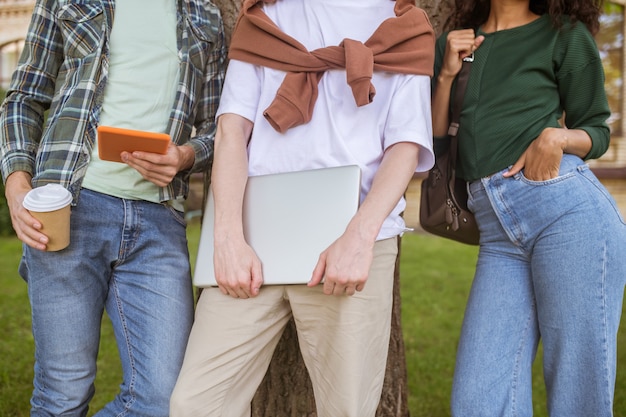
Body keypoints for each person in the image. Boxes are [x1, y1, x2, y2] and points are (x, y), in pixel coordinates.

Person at [169, 0, 435, 416]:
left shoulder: (404, 27)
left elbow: (405, 146)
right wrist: (227, 238)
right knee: (195, 404)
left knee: (347, 409)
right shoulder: (264, 18)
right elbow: (231, 131)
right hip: (253, 238)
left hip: (352, 242)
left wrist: (359, 238)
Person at [0, 0, 226, 415]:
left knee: (164, 401)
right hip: (67, 206)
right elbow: (24, 98)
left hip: (158, 221)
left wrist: (186, 156)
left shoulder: (205, 15)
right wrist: (17, 183)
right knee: (62, 396)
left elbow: (217, 126)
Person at [432, 0, 626, 416]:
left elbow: (595, 129)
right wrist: (447, 73)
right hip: (499, 233)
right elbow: (438, 141)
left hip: (566, 213)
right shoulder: (458, 43)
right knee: (477, 401)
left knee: (578, 394)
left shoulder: (564, 34)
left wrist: (556, 139)